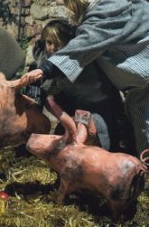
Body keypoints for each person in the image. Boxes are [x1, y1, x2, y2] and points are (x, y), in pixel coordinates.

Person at [19, 0, 149, 155]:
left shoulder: (102, 14)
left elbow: (82, 46)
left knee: (145, 105)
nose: (71, 6)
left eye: (71, 0)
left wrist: (46, 69)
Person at [30, 19, 134, 153]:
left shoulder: (80, 60)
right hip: (72, 109)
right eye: (49, 43)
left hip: (101, 106)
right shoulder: (42, 63)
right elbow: (41, 91)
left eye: (58, 43)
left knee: (104, 141)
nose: (53, 48)